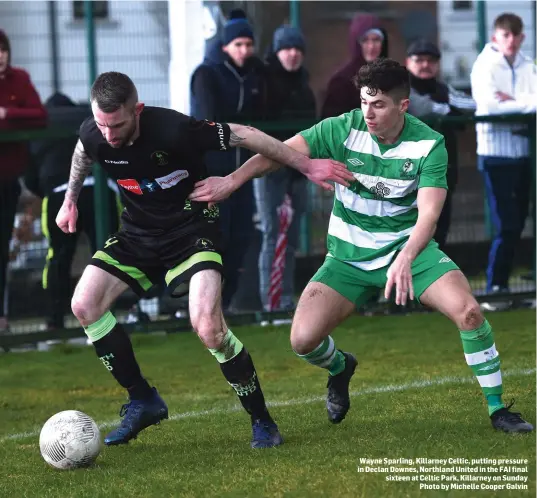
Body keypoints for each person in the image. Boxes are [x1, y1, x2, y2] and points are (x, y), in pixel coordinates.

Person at [190, 58, 533, 434]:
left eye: (379, 104)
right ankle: (340, 367)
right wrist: (231, 180)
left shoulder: (429, 144)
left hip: (409, 252)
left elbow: (429, 216)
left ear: (403, 106)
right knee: (302, 341)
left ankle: (499, 410)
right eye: (364, 102)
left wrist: (405, 256)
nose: (367, 112)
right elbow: (276, 152)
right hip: (347, 258)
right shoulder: (341, 128)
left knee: (469, 312)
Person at [55, 71, 353, 447]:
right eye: (102, 124)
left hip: (191, 230)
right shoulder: (95, 133)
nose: (109, 136)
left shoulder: (175, 129)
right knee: (83, 304)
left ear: (139, 110)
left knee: (208, 326)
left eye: (117, 125)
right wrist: (69, 201)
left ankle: (262, 419)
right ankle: (142, 399)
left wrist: (305, 166)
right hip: (137, 234)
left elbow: (247, 134)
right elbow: (84, 151)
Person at [190, 10, 266, 311]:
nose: (244, 51)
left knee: (241, 237)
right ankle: (204, 305)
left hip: (242, 172)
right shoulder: (206, 74)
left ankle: (226, 303)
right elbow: (209, 121)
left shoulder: (255, 74)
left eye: (249, 45)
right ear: (225, 46)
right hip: (214, 170)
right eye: (238, 45)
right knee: (215, 238)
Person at [25, 92, 119, 330]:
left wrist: (44, 189)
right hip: (99, 189)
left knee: (58, 256)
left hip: (59, 192)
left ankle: (55, 321)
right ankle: (110, 315)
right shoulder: (88, 116)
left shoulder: (39, 124)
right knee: (110, 254)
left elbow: (30, 176)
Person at [470, 13, 536, 308]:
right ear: (496, 37)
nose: (511, 41)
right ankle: (496, 287)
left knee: (520, 222)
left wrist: (512, 101)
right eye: (505, 35)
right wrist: (518, 104)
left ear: (522, 37)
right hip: (495, 155)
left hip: (524, 154)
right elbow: (489, 105)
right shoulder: (484, 65)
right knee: (506, 225)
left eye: (515, 35)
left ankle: (509, 289)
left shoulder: (527, 63)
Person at [254, 25, 316, 311]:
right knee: (272, 233)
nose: (292, 55)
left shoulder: (304, 86)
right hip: (270, 172)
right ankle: (272, 302)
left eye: (297, 49)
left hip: (298, 173)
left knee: (290, 239)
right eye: (286, 49)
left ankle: (286, 298)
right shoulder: (264, 83)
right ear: (276, 52)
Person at [406, 39, 476, 251]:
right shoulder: (401, 90)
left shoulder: (443, 89)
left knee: (440, 231)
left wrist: (444, 105)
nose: (425, 65)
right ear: (408, 62)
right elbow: (419, 106)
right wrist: (445, 109)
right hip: (409, 177)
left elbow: (471, 104)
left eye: (431, 60)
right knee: (412, 235)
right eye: (419, 60)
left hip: (444, 173)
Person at [0, 29, 47, 335]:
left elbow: (40, 116)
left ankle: (1, 319)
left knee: (3, 248)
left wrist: (8, 114)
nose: (0, 55)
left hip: (7, 180)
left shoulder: (20, 79)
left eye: (3, 49)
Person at [321, 13, 388, 118]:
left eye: (376, 40)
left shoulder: (391, 77)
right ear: (356, 43)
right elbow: (332, 126)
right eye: (365, 40)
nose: (371, 46)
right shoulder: (342, 82)